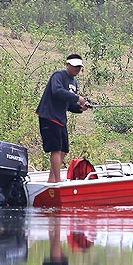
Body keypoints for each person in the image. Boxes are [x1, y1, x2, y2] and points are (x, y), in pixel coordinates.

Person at [36, 54, 88, 182]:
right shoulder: (58, 76)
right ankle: (58, 181)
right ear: (67, 65)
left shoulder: (74, 82)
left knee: (64, 150)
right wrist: (78, 98)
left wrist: (80, 108)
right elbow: (57, 91)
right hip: (49, 116)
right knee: (56, 149)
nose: (77, 69)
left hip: (60, 119)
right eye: (74, 66)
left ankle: (51, 180)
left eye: (79, 67)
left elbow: (69, 104)